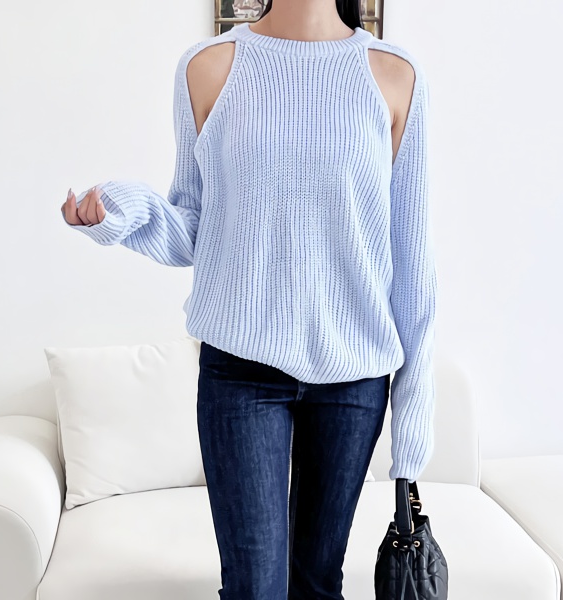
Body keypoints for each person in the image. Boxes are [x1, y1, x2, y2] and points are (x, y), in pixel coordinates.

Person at [60, 0, 438, 597]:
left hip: (354, 379)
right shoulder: (209, 67)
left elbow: (412, 265)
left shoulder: (395, 75)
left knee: (317, 583)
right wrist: (125, 211)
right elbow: (196, 229)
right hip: (240, 374)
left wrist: (413, 431)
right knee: (254, 587)